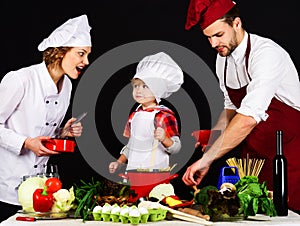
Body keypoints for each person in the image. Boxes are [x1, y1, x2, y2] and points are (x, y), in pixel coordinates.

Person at [182, 0, 300, 213]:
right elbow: (230, 110)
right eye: (208, 37)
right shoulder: (223, 59)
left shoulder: (266, 54)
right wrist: (208, 154)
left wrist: (208, 158)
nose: (213, 44)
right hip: (254, 157)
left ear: (237, 23)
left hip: (289, 156)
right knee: (254, 212)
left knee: (287, 214)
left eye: (218, 35)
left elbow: (247, 118)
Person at [0, 14, 92, 221]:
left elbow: (43, 131)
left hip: (43, 187)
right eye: (81, 54)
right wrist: (26, 143)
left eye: (87, 55)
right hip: (8, 187)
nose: (86, 61)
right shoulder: (20, 79)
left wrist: (63, 133)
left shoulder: (66, 84)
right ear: (60, 52)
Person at [109, 52, 184, 173]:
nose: (138, 90)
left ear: (157, 90)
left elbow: (176, 148)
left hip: (156, 174)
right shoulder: (134, 115)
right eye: (136, 86)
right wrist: (119, 162)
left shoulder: (163, 116)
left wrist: (165, 139)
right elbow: (132, 146)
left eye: (145, 86)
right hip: (134, 175)